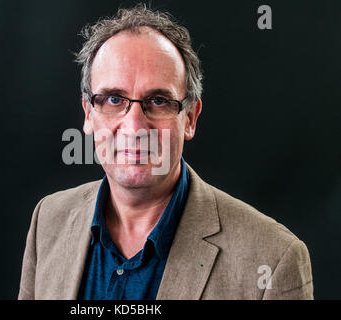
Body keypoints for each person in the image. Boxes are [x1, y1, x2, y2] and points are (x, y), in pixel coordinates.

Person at [18, 4, 313, 300]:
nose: (134, 128)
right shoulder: (48, 219)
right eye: (113, 99)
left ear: (190, 118)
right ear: (88, 113)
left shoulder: (274, 259)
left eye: (158, 101)